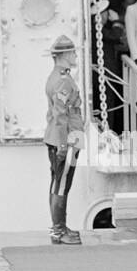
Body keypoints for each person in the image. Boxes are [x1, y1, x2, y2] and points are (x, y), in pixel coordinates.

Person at [45, 35, 85, 245]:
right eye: (73, 53)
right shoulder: (63, 80)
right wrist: (63, 144)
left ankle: (58, 228)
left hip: (60, 136)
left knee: (57, 184)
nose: (76, 55)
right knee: (61, 185)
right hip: (67, 138)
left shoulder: (56, 76)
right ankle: (59, 231)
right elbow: (61, 114)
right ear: (65, 55)